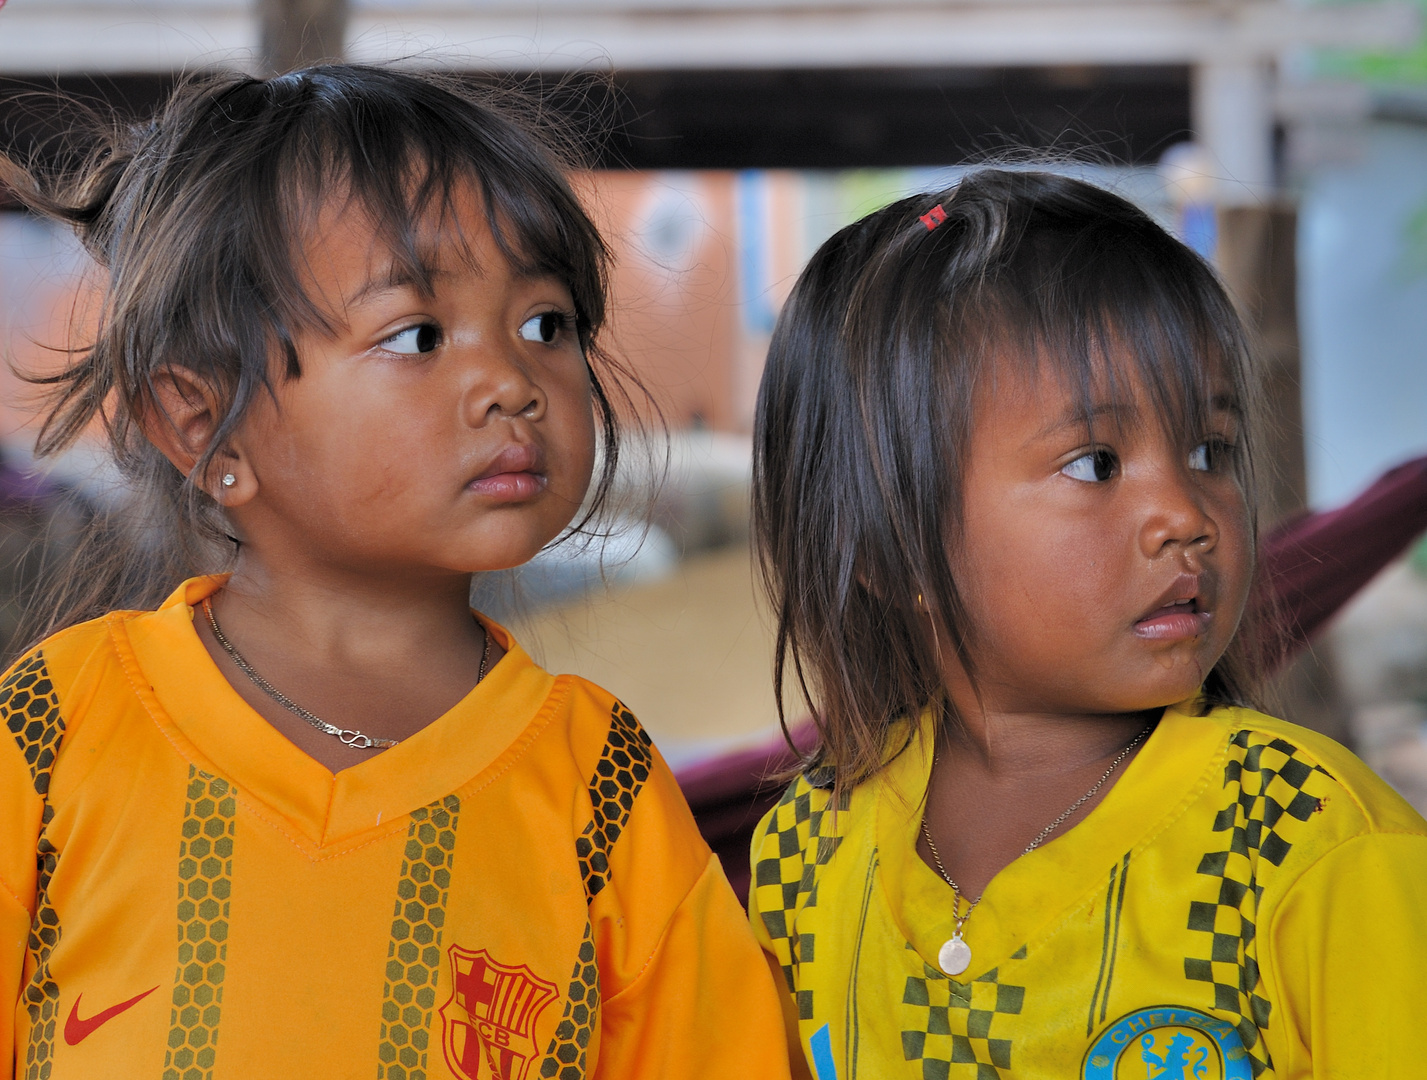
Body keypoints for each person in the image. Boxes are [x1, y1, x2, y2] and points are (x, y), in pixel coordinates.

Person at [0, 66, 791, 1080]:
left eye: (545, 324)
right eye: (417, 336)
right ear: (205, 424)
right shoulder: (60, 731)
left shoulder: (597, 786)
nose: (512, 382)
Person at [747, 170, 1427, 1080]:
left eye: (1207, 452)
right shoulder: (805, 852)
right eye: (1095, 462)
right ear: (885, 545)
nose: (1183, 514)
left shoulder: (1310, 842)